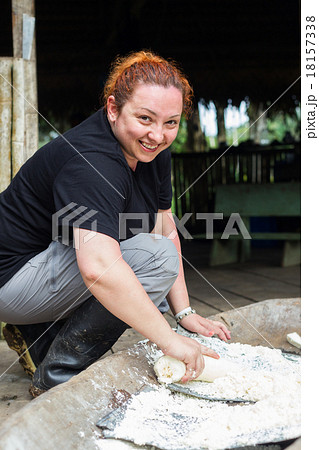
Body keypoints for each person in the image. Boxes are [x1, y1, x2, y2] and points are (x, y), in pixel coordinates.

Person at [0, 50, 230, 397]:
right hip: (11, 279)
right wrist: (170, 340)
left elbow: (164, 225)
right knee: (152, 257)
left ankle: (39, 332)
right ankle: (58, 375)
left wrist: (184, 313)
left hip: (46, 262)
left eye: (171, 122)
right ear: (112, 109)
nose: (158, 134)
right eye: (145, 118)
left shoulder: (151, 150)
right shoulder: (92, 161)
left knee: (154, 246)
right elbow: (97, 268)